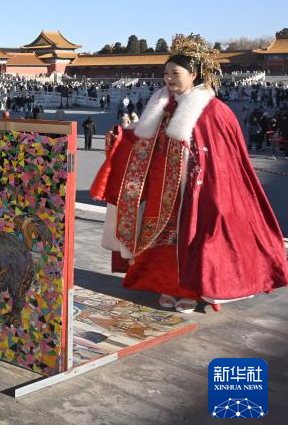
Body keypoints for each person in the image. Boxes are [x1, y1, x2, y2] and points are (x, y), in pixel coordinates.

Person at [92, 35, 288, 313]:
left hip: (193, 187)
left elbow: (223, 157)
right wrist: (122, 136)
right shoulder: (160, 106)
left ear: (193, 74)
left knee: (191, 237)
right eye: (166, 73)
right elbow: (142, 141)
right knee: (159, 239)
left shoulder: (213, 111)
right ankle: (164, 285)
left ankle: (190, 291)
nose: (169, 79)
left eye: (175, 73)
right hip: (160, 186)